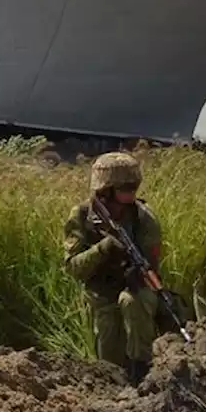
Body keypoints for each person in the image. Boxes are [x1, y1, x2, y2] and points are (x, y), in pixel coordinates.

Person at [62, 150, 162, 385]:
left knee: (134, 301)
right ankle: (110, 379)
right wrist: (104, 249)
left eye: (133, 189)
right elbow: (73, 268)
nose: (130, 196)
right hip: (100, 289)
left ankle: (141, 371)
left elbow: (152, 266)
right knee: (107, 321)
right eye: (123, 190)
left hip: (133, 285)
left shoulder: (144, 218)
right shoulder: (82, 216)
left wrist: (136, 273)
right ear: (104, 192)